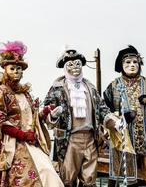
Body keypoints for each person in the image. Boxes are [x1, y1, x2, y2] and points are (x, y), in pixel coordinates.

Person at [0, 41, 64, 187]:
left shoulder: (25, 94)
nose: (16, 71)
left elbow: (32, 118)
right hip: (12, 145)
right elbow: (0, 121)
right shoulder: (1, 91)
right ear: (5, 70)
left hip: (31, 142)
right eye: (12, 68)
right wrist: (23, 136)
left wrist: (45, 112)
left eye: (19, 68)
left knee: (48, 173)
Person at [43, 48, 117, 187]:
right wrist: (52, 115)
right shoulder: (57, 87)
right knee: (67, 178)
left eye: (77, 64)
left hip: (90, 137)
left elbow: (102, 109)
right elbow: (47, 110)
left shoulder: (90, 86)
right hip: (69, 139)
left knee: (90, 178)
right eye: (70, 65)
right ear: (65, 68)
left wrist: (114, 122)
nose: (75, 68)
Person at [103, 45, 146, 187]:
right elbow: (104, 112)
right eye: (128, 62)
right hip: (124, 137)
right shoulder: (112, 87)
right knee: (129, 175)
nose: (132, 65)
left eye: (135, 62)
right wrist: (121, 118)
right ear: (121, 65)